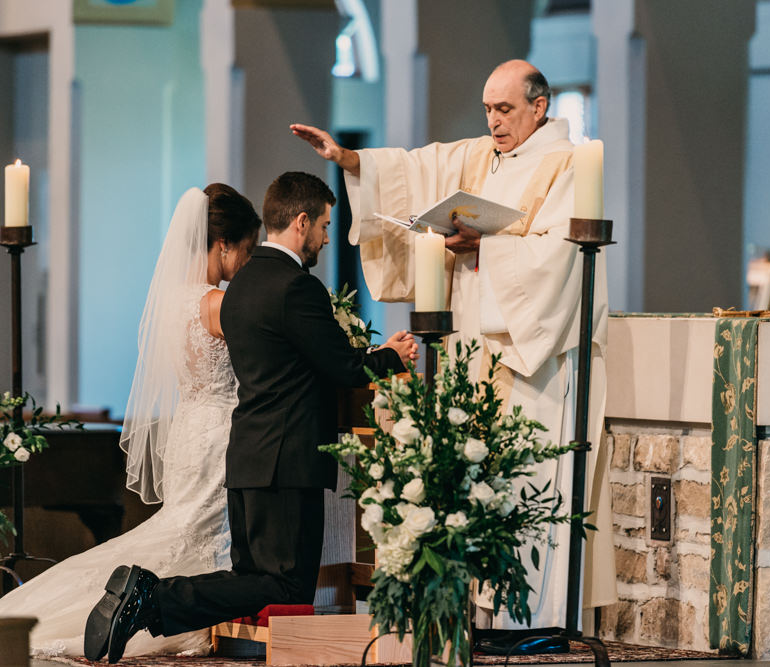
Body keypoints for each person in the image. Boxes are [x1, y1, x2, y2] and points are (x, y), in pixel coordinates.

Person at [291, 59, 614, 634]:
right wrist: (349, 160)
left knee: (525, 481)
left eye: (506, 109)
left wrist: (486, 247)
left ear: (539, 107)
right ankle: (476, 612)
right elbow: (419, 167)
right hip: (472, 348)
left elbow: (558, 259)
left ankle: (529, 619)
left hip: (529, 361)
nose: (493, 120)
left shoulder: (563, 164)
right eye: (488, 109)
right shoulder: (480, 157)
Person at [83, 172, 417, 664]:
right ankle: (152, 596)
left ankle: (150, 598)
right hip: (289, 464)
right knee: (286, 586)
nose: (327, 237)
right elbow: (342, 367)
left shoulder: (237, 291)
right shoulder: (296, 288)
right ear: (301, 222)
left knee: (255, 582)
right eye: (325, 224)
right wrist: (389, 356)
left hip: (246, 458)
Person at [0, 184, 261, 657]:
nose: (247, 262)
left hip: (188, 429)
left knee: (184, 526)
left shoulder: (172, 301)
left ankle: (126, 600)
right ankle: (165, 608)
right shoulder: (216, 304)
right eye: (247, 249)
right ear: (224, 245)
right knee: (197, 532)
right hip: (218, 432)